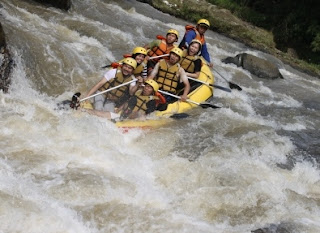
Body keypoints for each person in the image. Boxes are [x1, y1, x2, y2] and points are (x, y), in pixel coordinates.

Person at [84, 80, 160, 120]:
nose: (146, 88)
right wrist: (118, 109)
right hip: (124, 114)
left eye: (149, 88)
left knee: (104, 114)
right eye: (146, 86)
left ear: (152, 91)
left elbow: (148, 115)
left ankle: (82, 110)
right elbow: (128, 101)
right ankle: (82, 110)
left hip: (132, 118)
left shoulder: (151, 101)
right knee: (104, 113)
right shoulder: (138, 92)